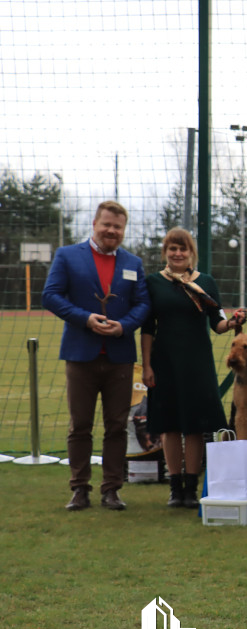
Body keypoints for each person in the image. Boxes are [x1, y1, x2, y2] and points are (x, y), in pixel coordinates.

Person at [41, 200, 151, 511]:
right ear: (94, 224)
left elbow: (142, 305)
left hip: (119, 356)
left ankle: (112, 489)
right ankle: (79, 489)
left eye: (118, 227)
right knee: (80, 425)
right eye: (107, 224)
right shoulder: (67, 256)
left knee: (117, 426)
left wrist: (123, 327)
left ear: (123, 230)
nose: (111, 231)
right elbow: (50, 295)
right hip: (80, 353)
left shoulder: (133, 263)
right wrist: (84, 318)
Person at [141, 228, 242, 508]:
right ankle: (175, 489)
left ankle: (191, 488)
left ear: (191, 252)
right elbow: (148, 328)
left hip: (197, 362)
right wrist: (147, 365)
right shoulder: (153, 283)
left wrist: (232, 323)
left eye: (182, 249)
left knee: (195, 427)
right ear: (165, 252)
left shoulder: (205, 283)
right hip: (164, 362)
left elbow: (218, 323)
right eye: (172, 248)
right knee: (170, 426)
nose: (177, 253)